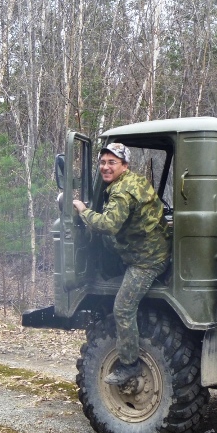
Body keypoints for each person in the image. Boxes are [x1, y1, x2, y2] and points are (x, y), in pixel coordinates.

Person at [73, 143, 171, 387]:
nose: (105, 167)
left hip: (146, 261)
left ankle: (129, 365)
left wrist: (83, 211)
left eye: (112, 163)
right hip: (149, 249)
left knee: (123, 309)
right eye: (103, 162)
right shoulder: (135, 181)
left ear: (124, 165)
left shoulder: (121, 192)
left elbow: (109, 225)